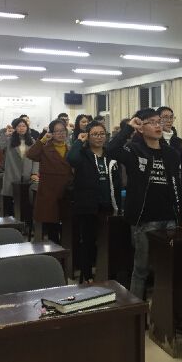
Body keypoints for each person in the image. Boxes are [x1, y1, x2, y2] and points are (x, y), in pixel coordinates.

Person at [107, 108, 182, 300]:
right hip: (144, 219)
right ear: (141, 128)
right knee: (141, 268)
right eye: (151, 122)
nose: (157, 125)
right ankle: (136, 308)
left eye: (158, 121)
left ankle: (164, 310)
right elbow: (110, 149)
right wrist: (129, 128)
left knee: (167, 268)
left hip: (169, 217)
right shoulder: (134, 150)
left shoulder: (171, 153)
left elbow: (177, 185)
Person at [68, 120, 122, 283]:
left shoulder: (109, 153)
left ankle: (107, 272)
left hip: (108, 204)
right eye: (95, 134)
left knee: (108, 241)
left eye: (102, 134)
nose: (99, 137)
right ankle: (87, 274)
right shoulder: (83, 154)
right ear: (88, 136)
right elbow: (71, 159)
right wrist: (79, 141)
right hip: (88, 205)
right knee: (88, 241)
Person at [27, 119, 74, 244]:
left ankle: (65, 250)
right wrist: (42, 140)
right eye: (57, 131)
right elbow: (31, 154)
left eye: (63, 131)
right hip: (49, 192)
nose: (60, 134)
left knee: (66, 225)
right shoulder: (45, 148)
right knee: (52, 225)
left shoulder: (70, 148)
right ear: (51, 133)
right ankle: (55, 250)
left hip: (66, 191)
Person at [0, 118, 39, 216]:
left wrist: (35, 172)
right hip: (12, 174)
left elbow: (36, 159)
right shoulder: (9, 140)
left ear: (27, 128)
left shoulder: (31, 141)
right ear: (14, 128)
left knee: (25, 203)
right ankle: (11, 221)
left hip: (27, 175)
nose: (21, 128)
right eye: (19, 126)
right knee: (10, 202)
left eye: (24, 126)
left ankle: (25, 222)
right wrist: (5, 135)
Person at [157, 106, 182, 199]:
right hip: (162, 184)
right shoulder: (155, 140)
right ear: (158, 119)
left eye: (171, 117)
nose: (169, 121)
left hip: (179, 184)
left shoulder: (178, 141)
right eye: (165, 117)